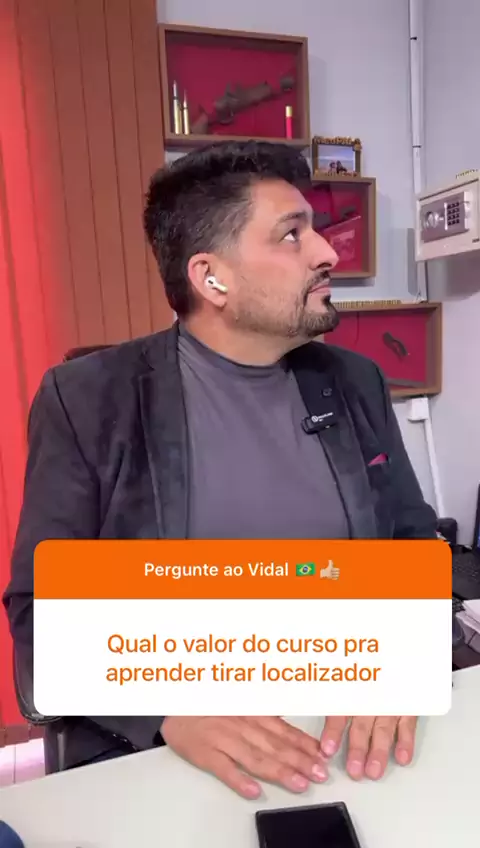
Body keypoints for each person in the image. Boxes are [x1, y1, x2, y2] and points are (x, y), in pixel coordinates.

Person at [3, 140, 437, 798]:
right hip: (166, 755)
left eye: (316, 229)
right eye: (292, 235)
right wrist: (166, 711)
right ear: (212, 279)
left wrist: (401, 660)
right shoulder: (88, 399)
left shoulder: (355, 382)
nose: (327, 252)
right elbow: (41, 609)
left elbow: (417, 547)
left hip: (344, 739)